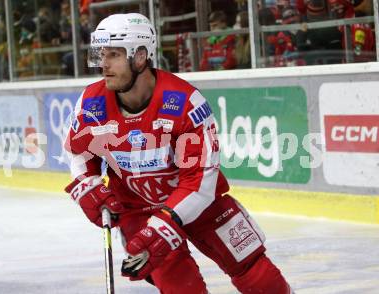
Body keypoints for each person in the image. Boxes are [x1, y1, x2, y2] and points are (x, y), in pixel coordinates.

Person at [64, 13, 293, 293]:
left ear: (140, 57)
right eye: (101, 54)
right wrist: (87, 184)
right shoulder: (91, 103)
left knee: (251, 266)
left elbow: (201, 179)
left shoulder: (185, 103)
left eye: (113, 55)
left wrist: (166, 223)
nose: (104, 64)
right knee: (180, 287)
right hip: (137, 209)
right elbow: (79, 152)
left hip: (198, 203)